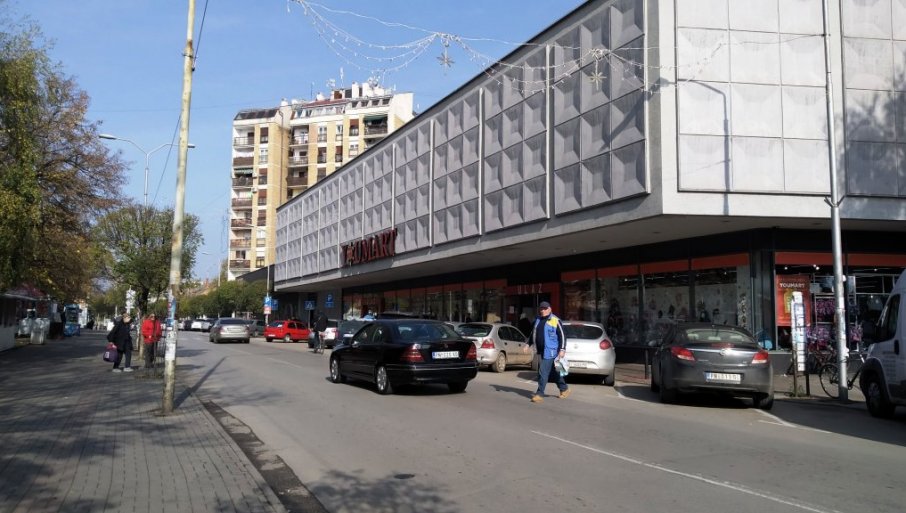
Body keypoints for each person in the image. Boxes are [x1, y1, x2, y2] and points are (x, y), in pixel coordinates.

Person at [528, 301, 569, 403]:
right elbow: (533, 333)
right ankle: (564, 389)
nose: (543, 310)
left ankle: (539, 394)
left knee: (542, 371)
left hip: (552, 351)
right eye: (541, 308)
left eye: (545, 308)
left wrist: (562, 350)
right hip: (541, 350)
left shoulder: (555, 320)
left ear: (550, 309)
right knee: (554, 372)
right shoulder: (537, 320)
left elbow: (562, 336)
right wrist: (528, 344)